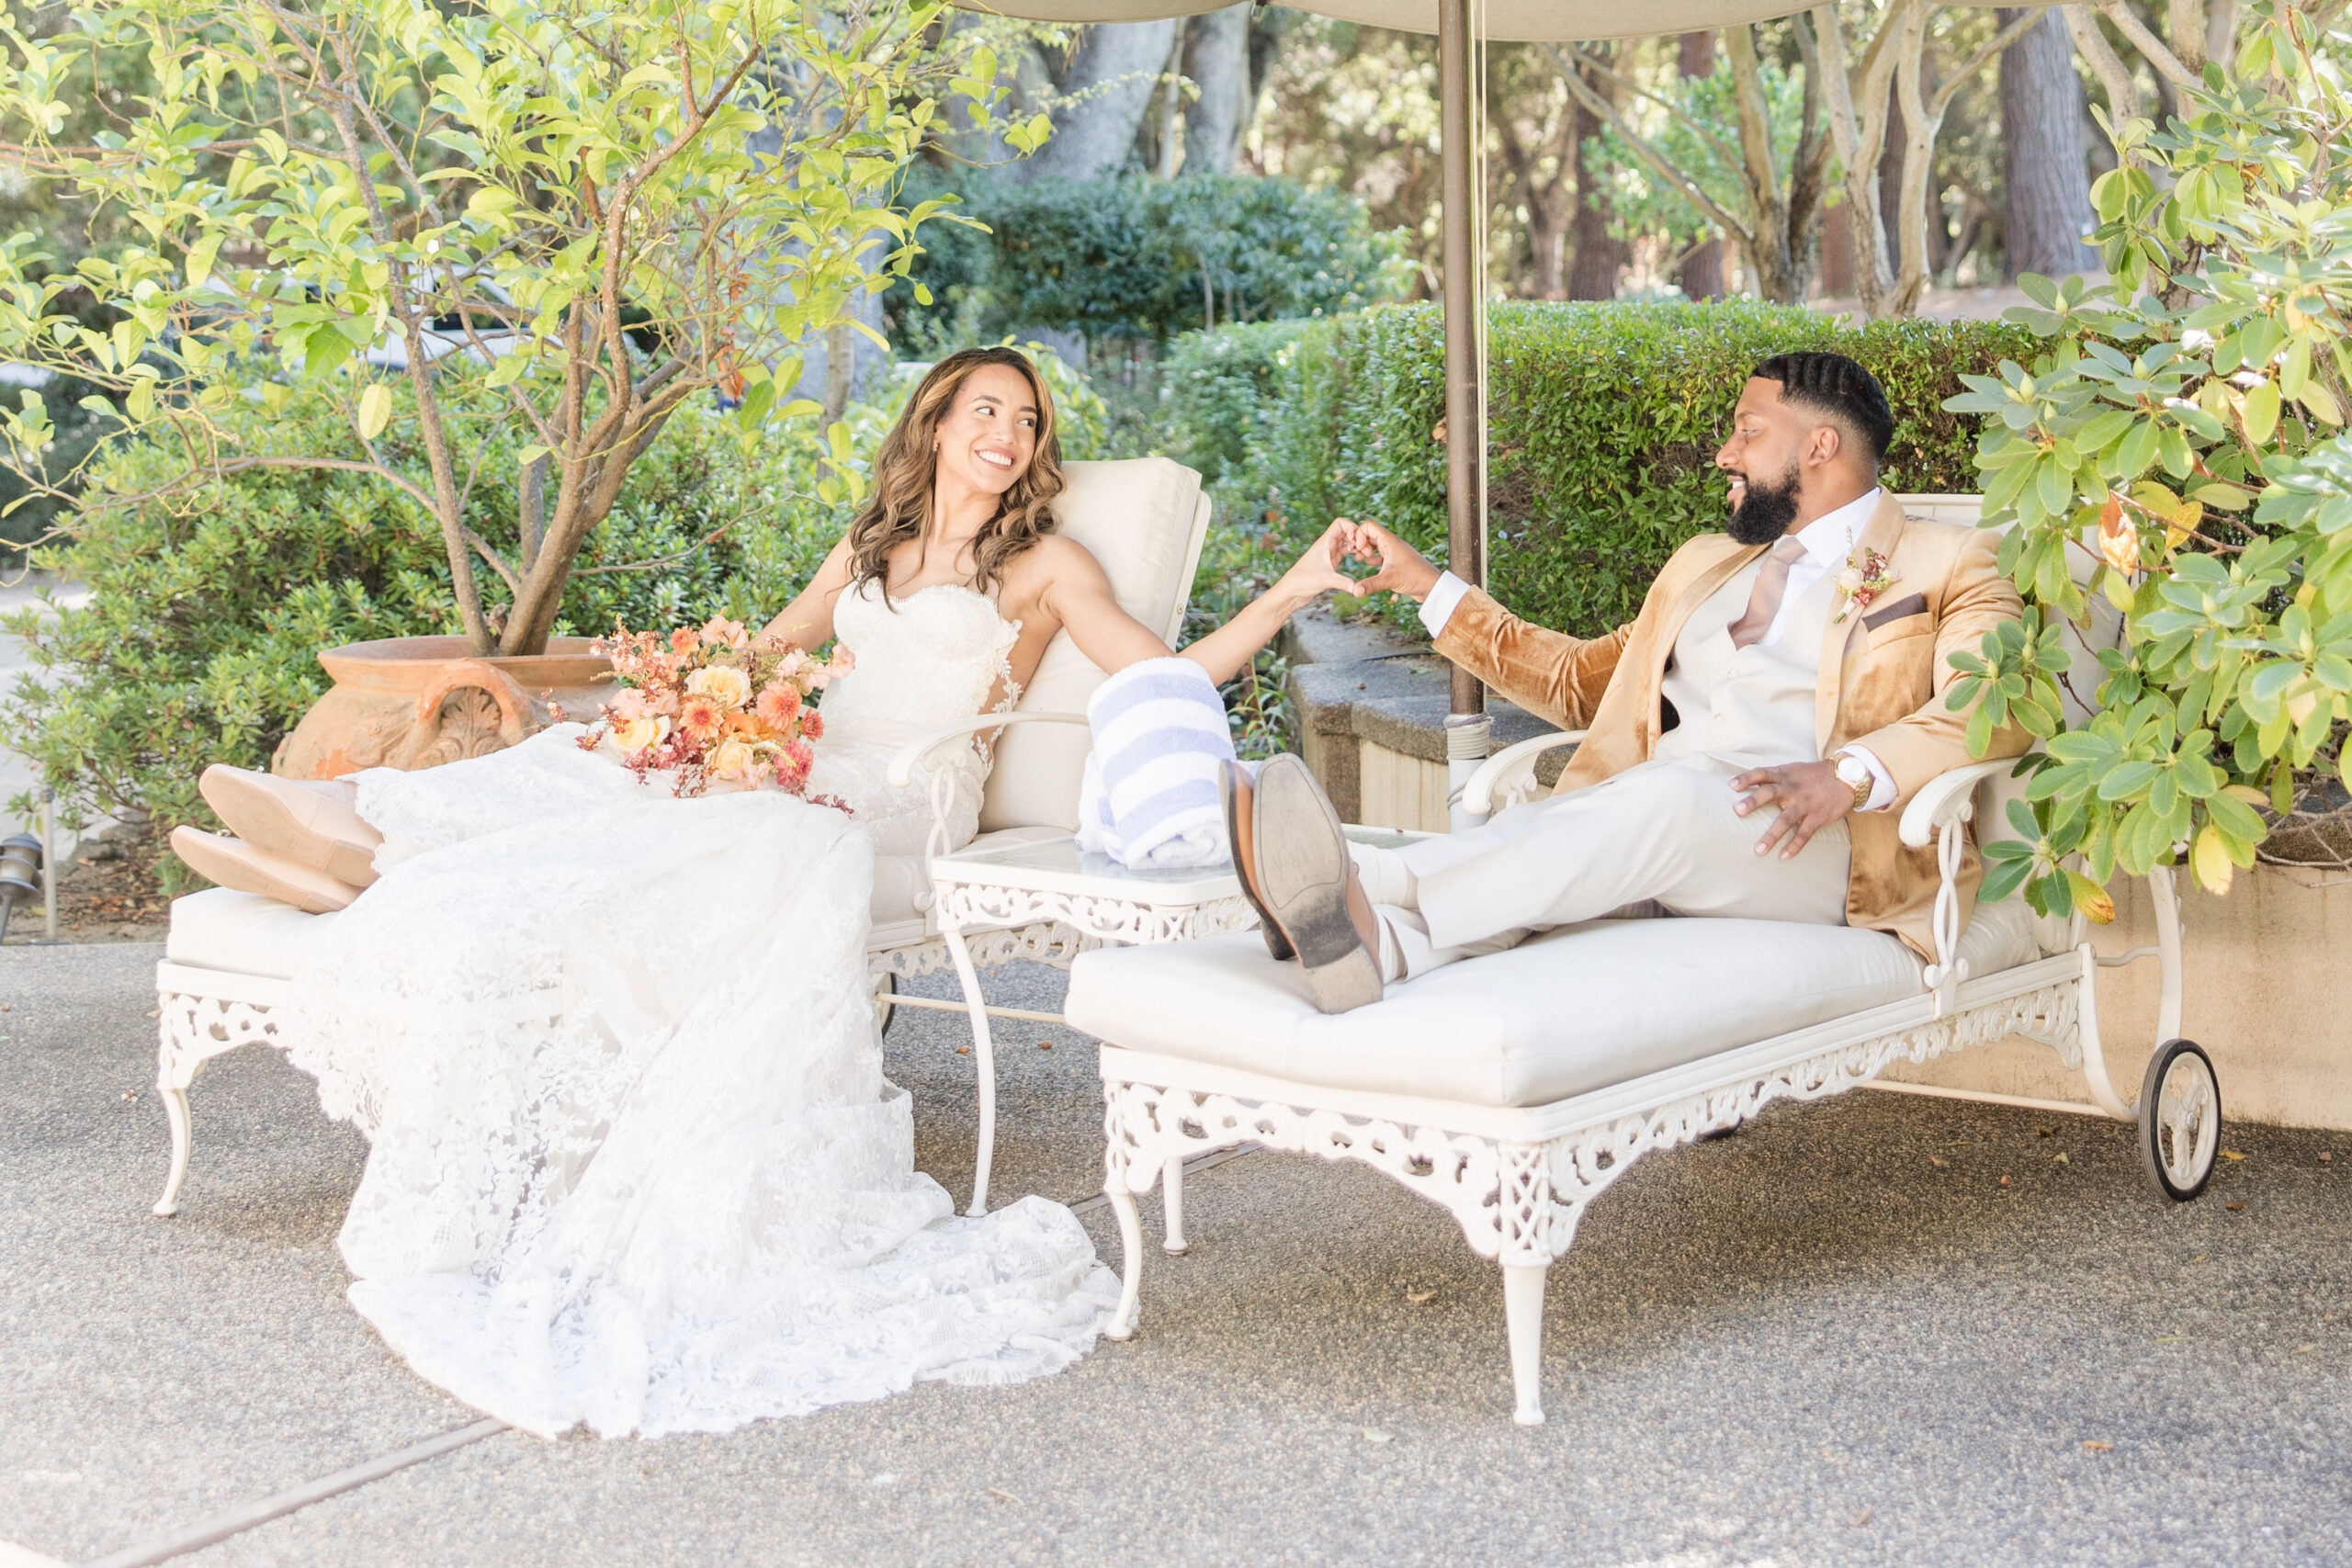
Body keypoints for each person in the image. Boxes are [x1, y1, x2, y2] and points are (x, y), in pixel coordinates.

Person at [169, 345, 1362, 1438]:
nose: (1005, 430)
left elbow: (1163, 675)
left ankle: (366, 844)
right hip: (802, 759)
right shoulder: (871, 543)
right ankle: (364, 833)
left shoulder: (1046, 563)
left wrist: (1294, 588)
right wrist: (673, 701)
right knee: (629, 764)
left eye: (1026, 418)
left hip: (900, 800)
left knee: (748, 826)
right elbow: (767, 652)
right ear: (936, 424)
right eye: (982, 409)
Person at [1225, 351, 2031, 1013]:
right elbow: (1585, 685)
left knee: (1666, 800)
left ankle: (1365, 879)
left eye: (1748, 432)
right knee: (1651, 801)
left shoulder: (1948, 559)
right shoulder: (1704, 564)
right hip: (1655, 818)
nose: (1725, 452)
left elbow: (1996, 705)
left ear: (1820, 447)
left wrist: (1848, 774)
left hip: (1827, 846)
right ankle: (1377, 949)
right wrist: (1424, 586)